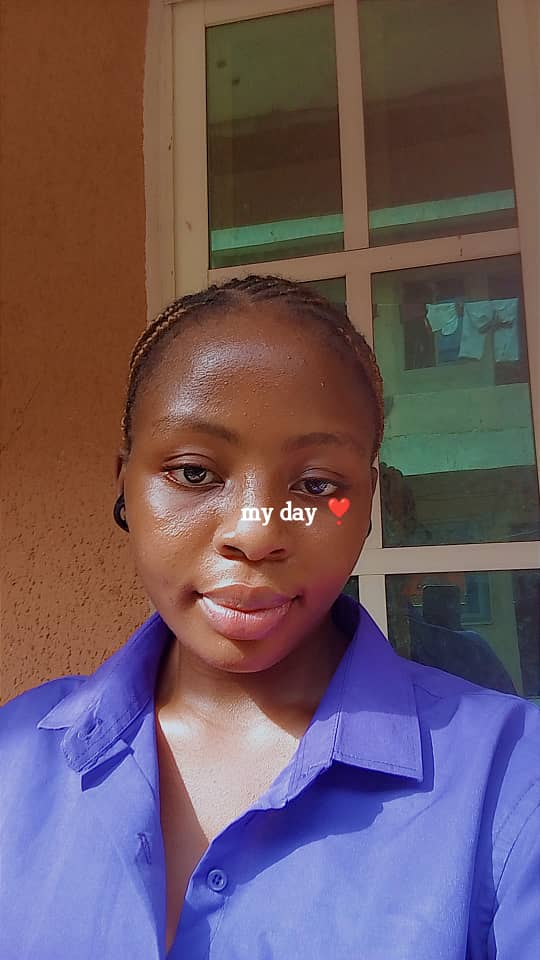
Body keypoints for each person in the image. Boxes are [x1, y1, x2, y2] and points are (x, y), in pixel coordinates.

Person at [1, 274, 538, 960]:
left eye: (316, 485)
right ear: (125, 487)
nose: (256, 533)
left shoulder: (512, 782)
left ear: (366, 506)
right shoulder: (15, 760)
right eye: (195, 473)